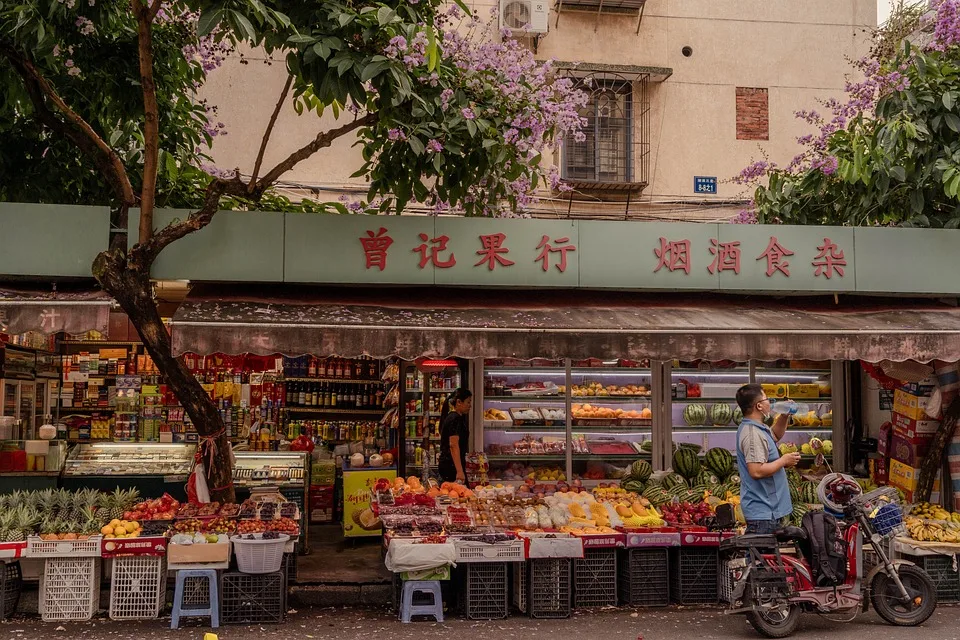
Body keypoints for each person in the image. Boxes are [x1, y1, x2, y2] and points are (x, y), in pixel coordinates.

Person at [735, 383, 801, 535]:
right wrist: (784, 461)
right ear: (759, 406)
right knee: (759, 557)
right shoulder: (752, 434)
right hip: (762, 512)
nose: (770, 403)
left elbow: (775, 436)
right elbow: (756, 471)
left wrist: (784, 416)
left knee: (762, 557)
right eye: (767, 400)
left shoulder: (758, 428)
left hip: (769, 512)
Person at [438, 388, 472, 484]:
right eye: (468, 402)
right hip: (451, 466)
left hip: (450, 465)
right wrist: (460, 471)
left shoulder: (453, 417)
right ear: (459, 402)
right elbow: (453, 445)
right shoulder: (455, 419)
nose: (470, 406)